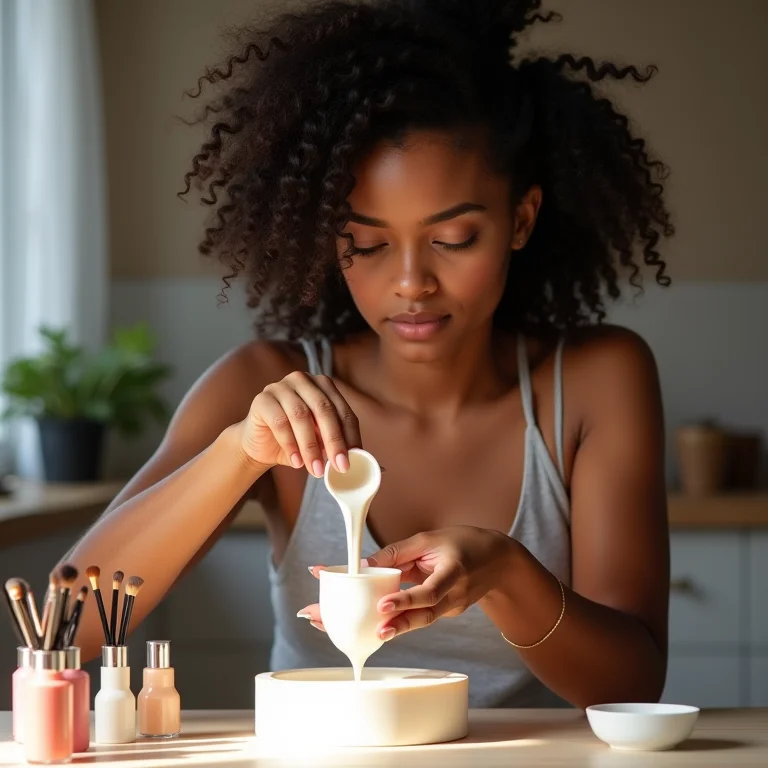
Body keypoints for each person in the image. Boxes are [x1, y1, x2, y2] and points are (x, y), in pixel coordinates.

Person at [63, 0, 672, 709]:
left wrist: (508, 572)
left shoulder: (596, 382)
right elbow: (68, 626)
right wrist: (238, 453)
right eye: (369, 243)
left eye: (453, 239)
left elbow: (632, 685)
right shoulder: (265, 385)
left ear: (521, 220)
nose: (411, 282)